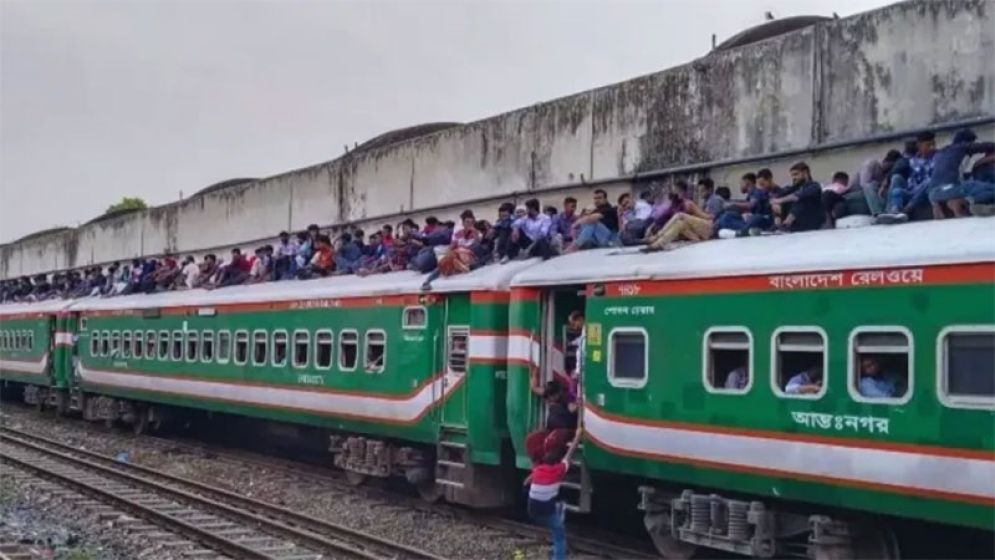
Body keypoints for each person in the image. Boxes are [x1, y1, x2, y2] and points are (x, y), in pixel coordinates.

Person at [524, 427, 583, 560]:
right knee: (559, 534)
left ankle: (554, 550)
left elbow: (530, 479)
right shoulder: (559, 470)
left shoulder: (538, 469)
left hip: (532, 509)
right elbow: (570, 453)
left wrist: (529, 479)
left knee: (554, 508)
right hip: (546, 510)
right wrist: (578, 437)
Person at [924, 129, 995, 219]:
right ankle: (965, 202)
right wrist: (985, 160)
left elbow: (935, 179)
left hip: (934, 194)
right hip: (952, 188)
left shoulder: (940, 153)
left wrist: (934, 204)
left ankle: (956, 202)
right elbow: (988, 146)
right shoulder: (961, 147)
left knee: (974, 186)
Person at [642, 190, 713, 251]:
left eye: (702, 191)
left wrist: (710, 216)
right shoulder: (674, 207)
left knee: (680, 215)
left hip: (708, 228)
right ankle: (659, 244)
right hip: (697, 235)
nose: (700, 193)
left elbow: (706, 216)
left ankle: (657, 236)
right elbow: (661, 218)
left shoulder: (689, 203)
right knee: (679, 223)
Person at [771, 162, 823, 232]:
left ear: (805, 173)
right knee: (779, 201)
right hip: (798, 221)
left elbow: (795, 196)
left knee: (801, 199)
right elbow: (777, 196)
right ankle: (778, 225)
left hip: (812, 221)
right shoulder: (794, 187)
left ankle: (786, 224)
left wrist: (779, 200)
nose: (793, 178)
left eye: (796, 174)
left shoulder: (814, 186)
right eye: (792, 175)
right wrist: (776, 203)